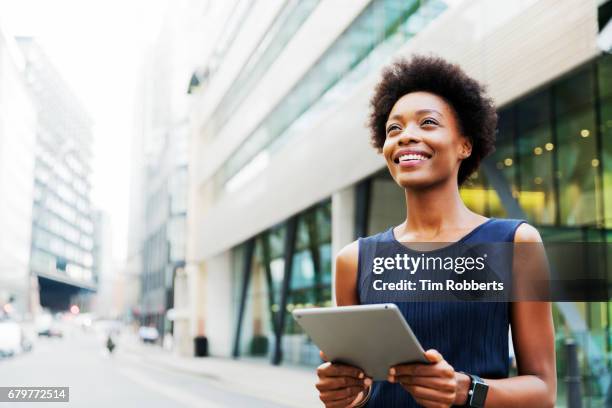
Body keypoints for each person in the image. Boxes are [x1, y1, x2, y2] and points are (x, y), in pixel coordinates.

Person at [315, 55, 556, 407]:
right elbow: (363, 393)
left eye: (428, 123)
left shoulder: (516, 243)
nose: (406, 136)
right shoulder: (354, 260)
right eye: (393, 129)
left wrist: (464, 389)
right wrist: (345, 395)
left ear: (465, 145)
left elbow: (544, 392)